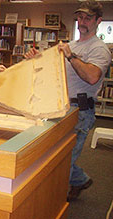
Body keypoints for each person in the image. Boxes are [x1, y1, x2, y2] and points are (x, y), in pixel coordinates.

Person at [24, 0, 111, 201]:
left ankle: (55, 200)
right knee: (55, 155)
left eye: (88, 18)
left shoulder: (99, 49)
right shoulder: (70, 45)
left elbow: (92, 77)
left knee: (63, 159)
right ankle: (80, 180)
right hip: (61, 106)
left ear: (98, 21)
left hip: (80, 111)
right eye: (80, 17)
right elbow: (49, 71)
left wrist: (71, 57)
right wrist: (36, 58)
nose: (82, 21)